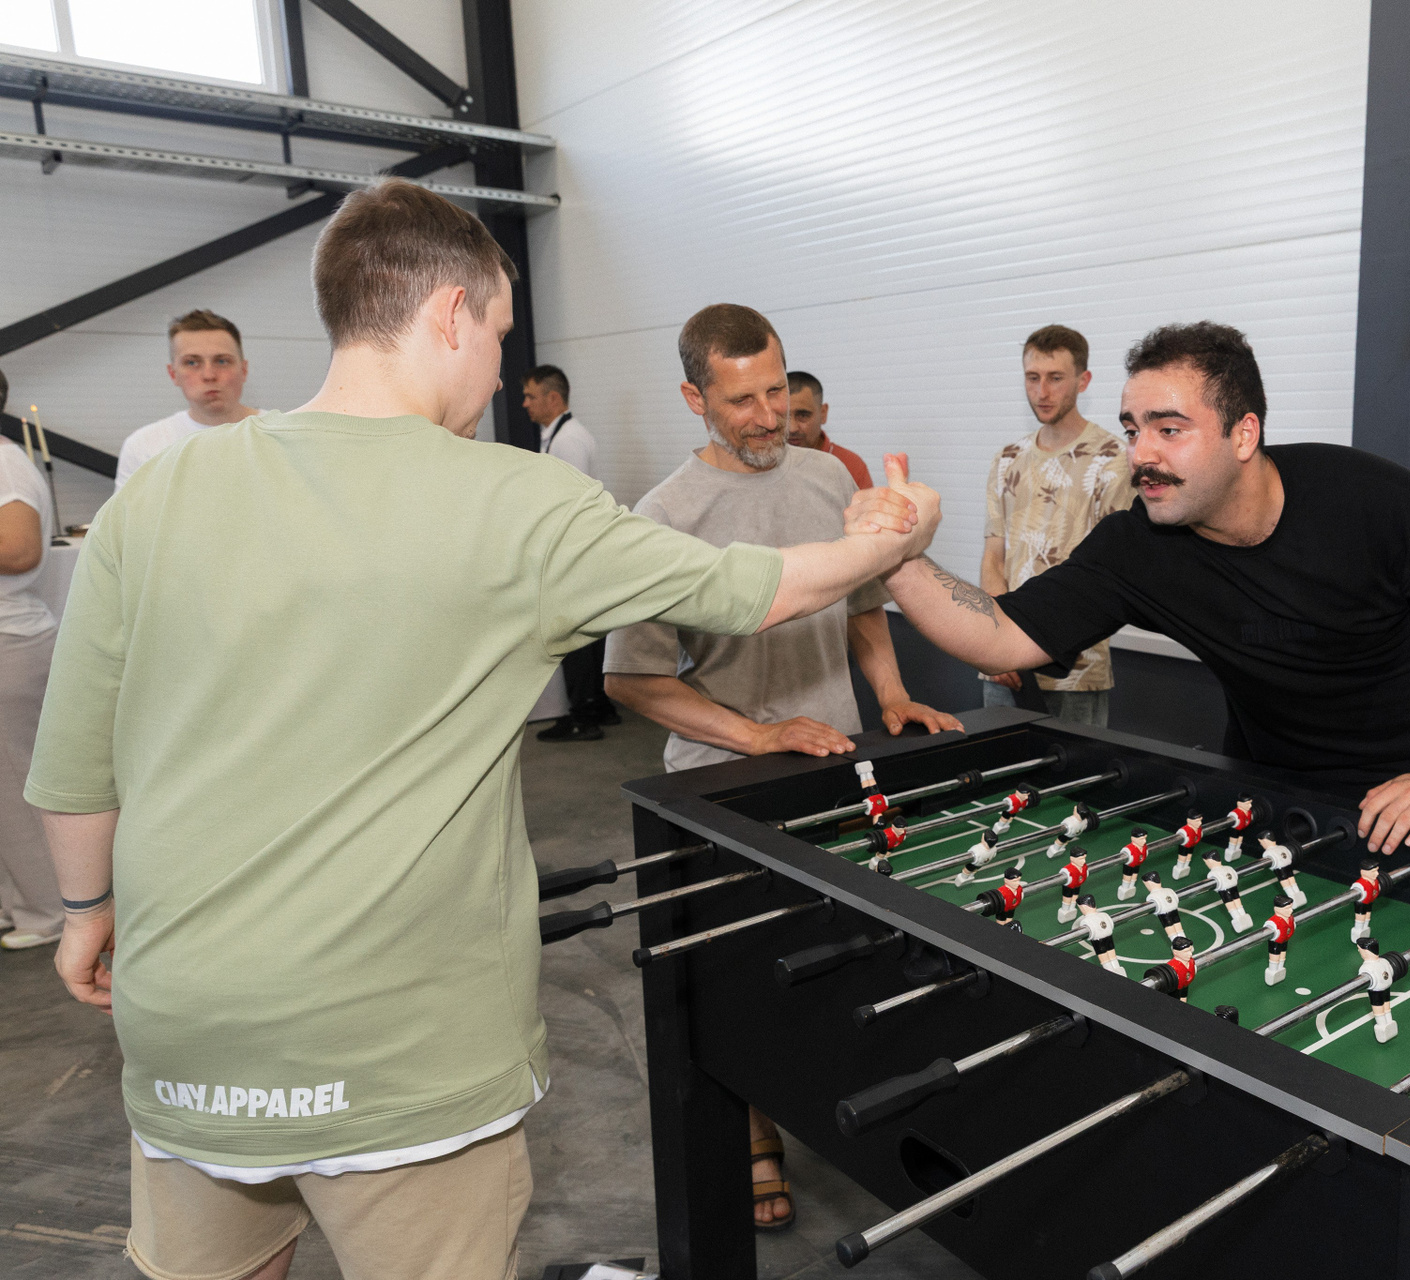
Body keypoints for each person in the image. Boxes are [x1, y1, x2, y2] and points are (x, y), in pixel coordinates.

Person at [26, 181, 941, 1280]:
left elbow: (74, 761)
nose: (503, 371)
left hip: (188, 1026)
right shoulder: (519, 500)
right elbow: (760, 590)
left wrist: (84, 912)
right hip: (400, 1039)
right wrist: (895, 533)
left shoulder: (154, 495)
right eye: (501, 334)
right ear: (450, 313)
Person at [878, 320, 1410, 856]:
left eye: (1169, 429)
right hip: (1299, 805)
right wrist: (897, 557)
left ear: (1244, 434)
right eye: (1133, 429)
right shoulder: (1138, 545)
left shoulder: (1375, 502)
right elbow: (1001, 633)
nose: (1142, 453)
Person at [602, 303, 959, 1230]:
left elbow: (862, 602)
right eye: (742, 401)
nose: (769, 417)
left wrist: (890, 697)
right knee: (743, 983)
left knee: (845, 961)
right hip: (721, 785)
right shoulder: (663, 517)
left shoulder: (827, 476)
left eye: (777, 391)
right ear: (695, 399)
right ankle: (758, 1136)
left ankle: (851, 1117)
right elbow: (631, 679)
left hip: (835, 766)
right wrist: (756, 736)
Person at [978, 325, 1133, 726]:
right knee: (995, 765)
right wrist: (997, 642)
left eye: (1055, 378)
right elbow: (994, 557)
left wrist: (1036, 644)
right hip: (1003, 667)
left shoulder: (1115, 460)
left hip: (1076, 672)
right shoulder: (1007, 459)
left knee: (1075, 768)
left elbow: (1112, 572)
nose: (1042, 391)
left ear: (1083, 380)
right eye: (1033, 378)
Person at [520, 364, 621, 742]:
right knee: (586, 632)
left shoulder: (568, 440)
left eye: (530, 396)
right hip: (579, 550)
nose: (525, 404)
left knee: (573, 634)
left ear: (553, 398)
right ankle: (598, 706)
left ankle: (583, 715)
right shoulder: (561, 435)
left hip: (575, 552)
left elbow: (572, 504)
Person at [0, 367, 62, 950]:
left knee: (16, 789)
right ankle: (16, 903)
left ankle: (49, 913)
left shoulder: (4, 461)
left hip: (9, 641)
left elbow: (18, 550)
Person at [115, 310, 260, 489]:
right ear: (173, 374)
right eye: (192, 362)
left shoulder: (281, 434)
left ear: (244, 370)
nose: (209, 375)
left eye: (222, 361)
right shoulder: (143, 447)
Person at [785, 370, 872, 488]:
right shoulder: (765, 463)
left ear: (823, 413)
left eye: (803, 416)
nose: (792, 428)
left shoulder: (850, 466)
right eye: (783, 416)